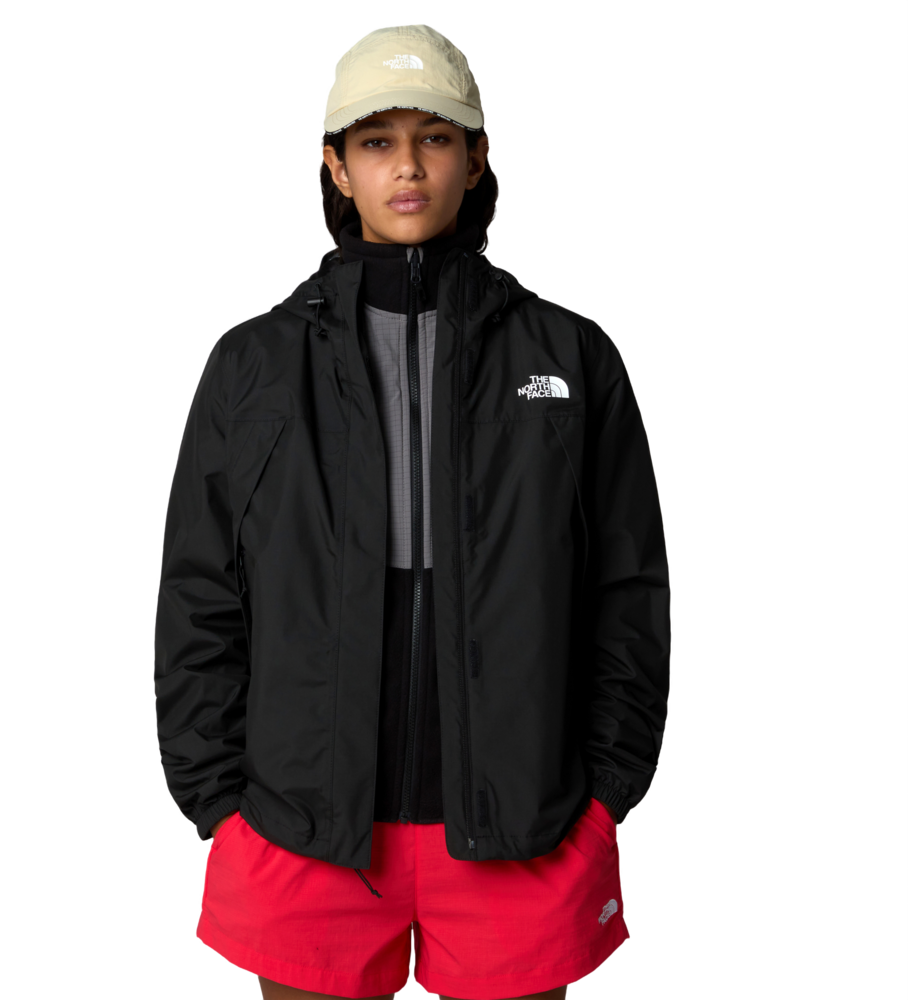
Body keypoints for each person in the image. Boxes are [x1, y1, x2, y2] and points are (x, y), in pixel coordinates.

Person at [154, 22, 670, 1000]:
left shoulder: (572, 354)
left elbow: (628, 595)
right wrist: (218, 807)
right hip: (299, 839)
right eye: (376, 141)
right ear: (336, 167)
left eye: (433, 138)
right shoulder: (252, 362)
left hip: (526, 836)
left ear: (475, 158)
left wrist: (604, 799)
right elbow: (198, 597)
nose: (407, 167)